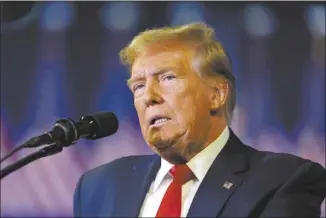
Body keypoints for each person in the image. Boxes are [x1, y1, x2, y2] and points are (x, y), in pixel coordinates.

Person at [73, 23, 326, 217]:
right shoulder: (99, 187)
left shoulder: (281, 181)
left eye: (167, 78)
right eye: (138, 86)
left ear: (216, 95)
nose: (148, 96)